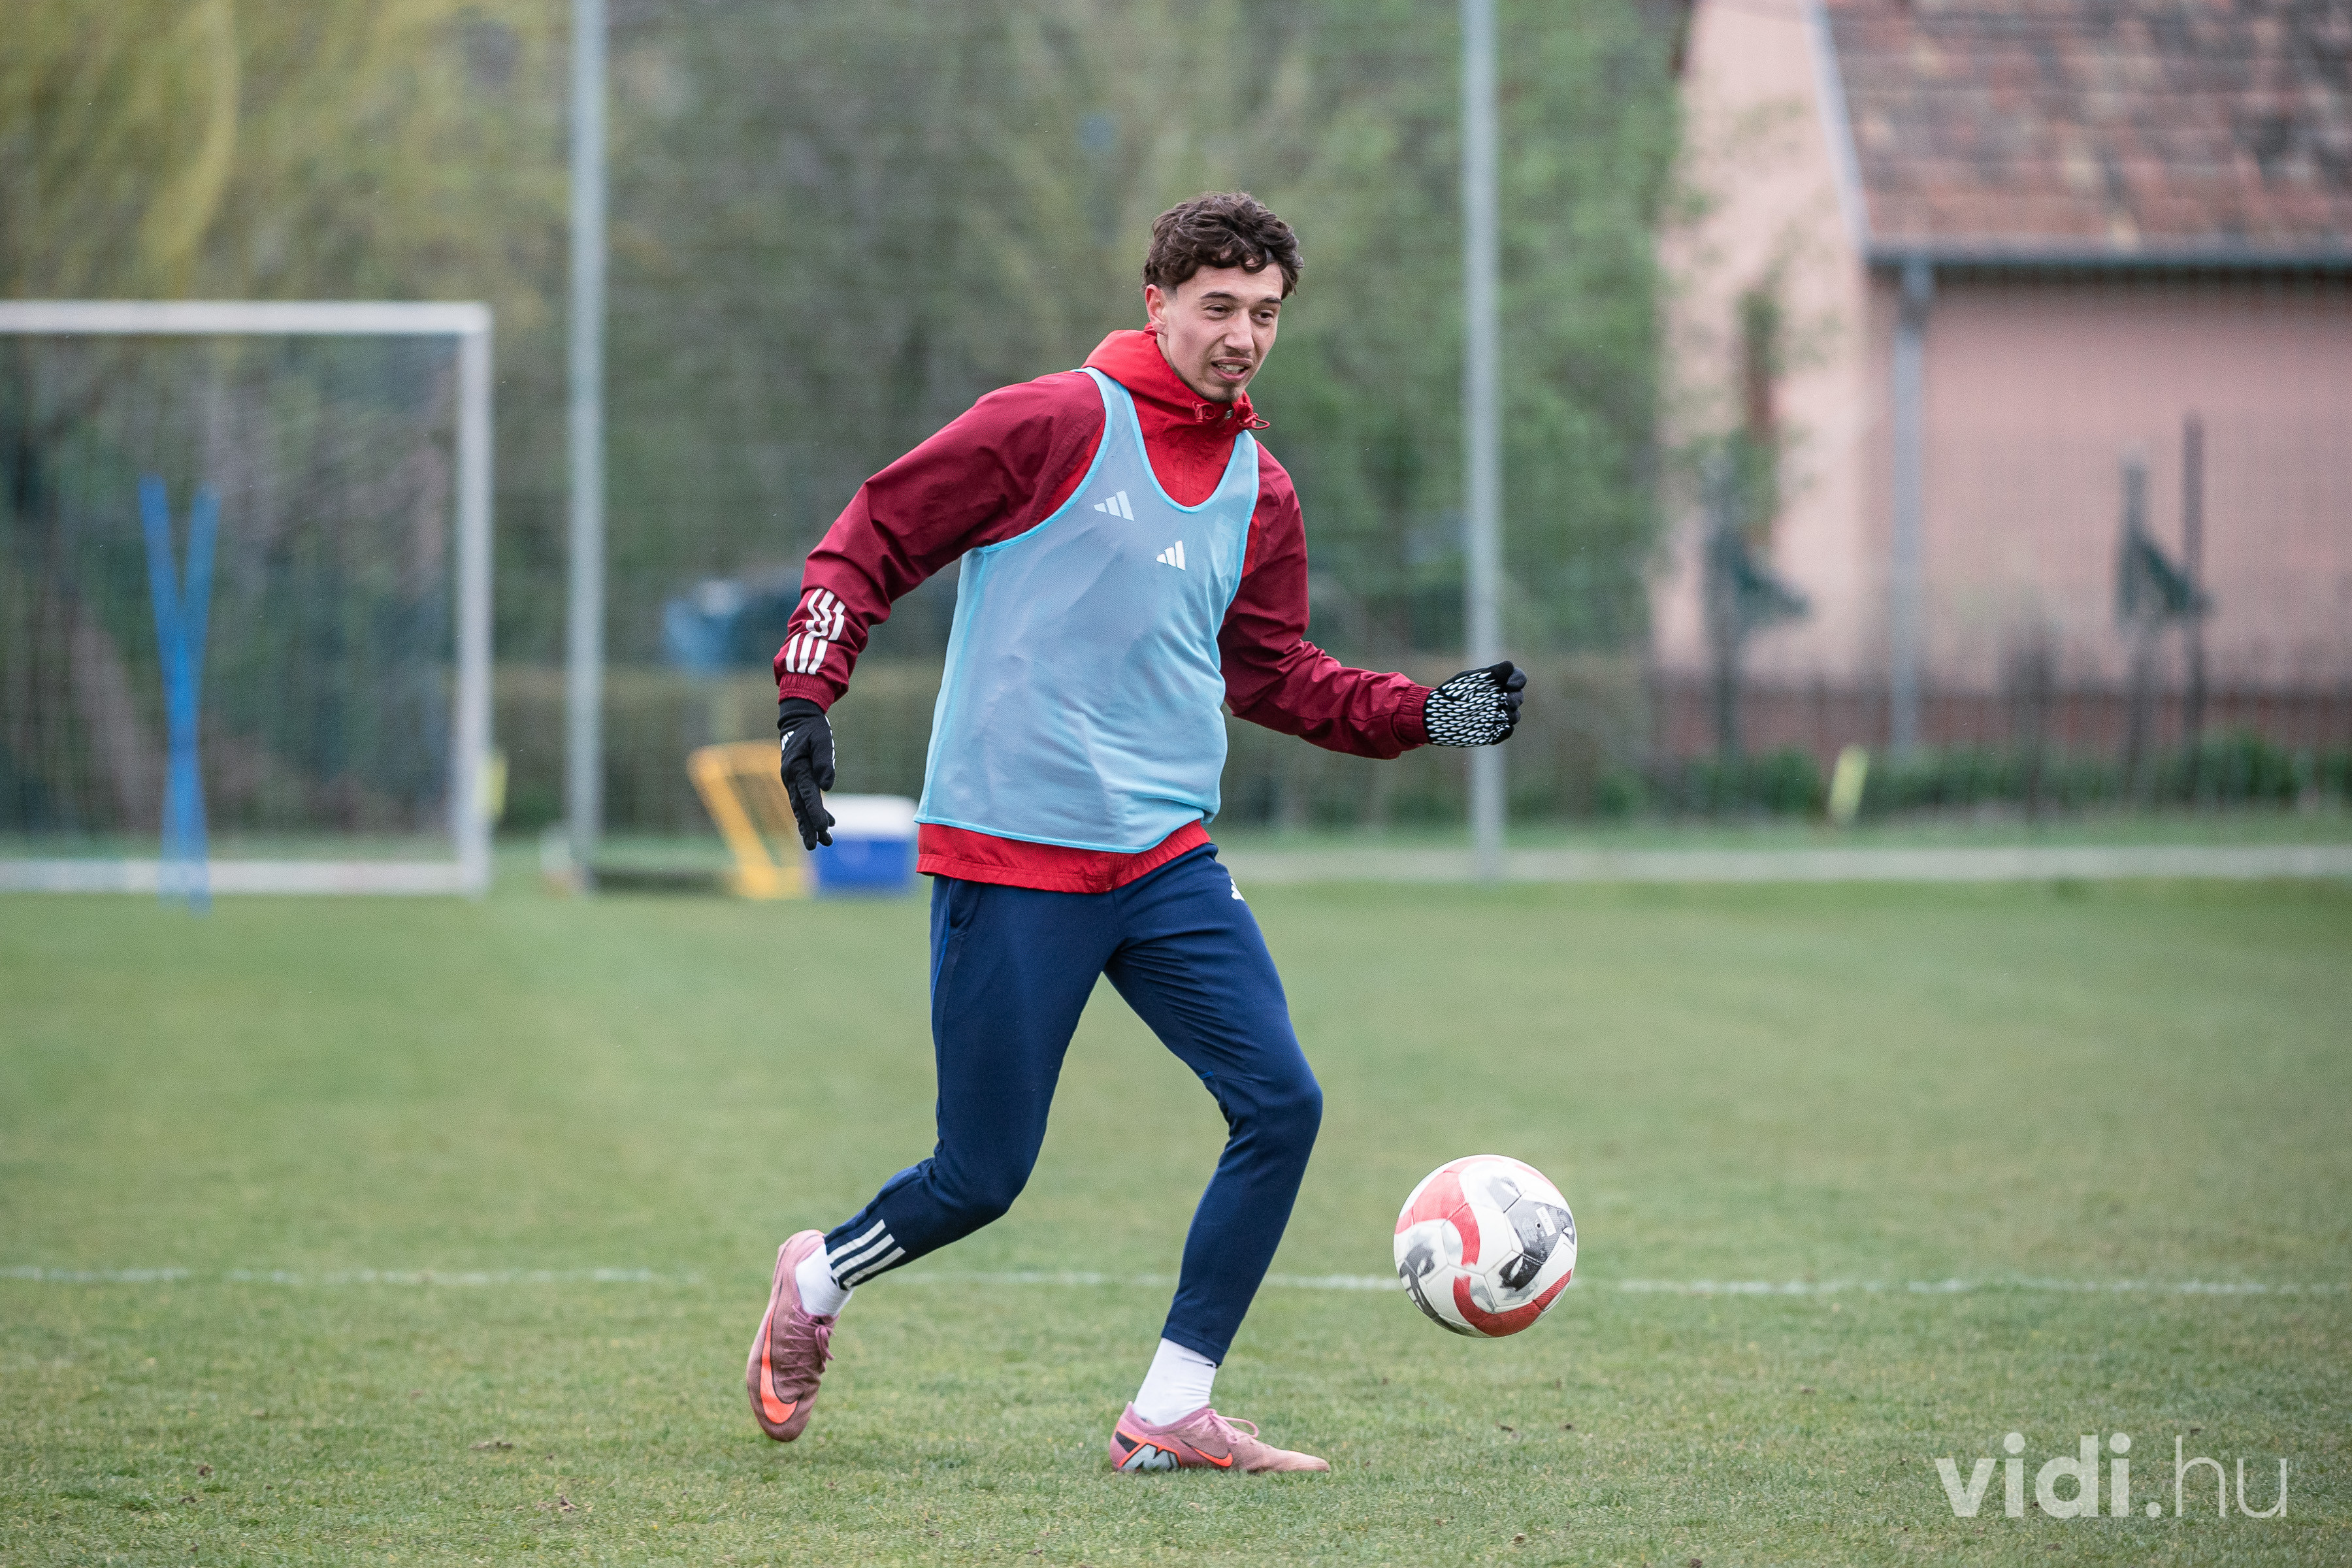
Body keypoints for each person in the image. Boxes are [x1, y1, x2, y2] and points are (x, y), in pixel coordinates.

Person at [749, 191, 1524, 1475]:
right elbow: (874, 534)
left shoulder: (1260, 487)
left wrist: (1424, 713)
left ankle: (1171, 1406)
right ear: (1157, 302)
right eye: (1219, 307)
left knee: (1280, 1103)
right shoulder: (1053, 423)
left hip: (1165, 861)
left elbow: (1273, 674)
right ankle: (819, 1277)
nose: (1243, 337)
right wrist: (805, 694)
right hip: (1013, 858)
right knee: (981, 1177)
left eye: (1265, 313)